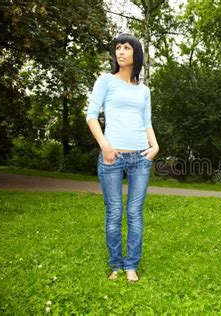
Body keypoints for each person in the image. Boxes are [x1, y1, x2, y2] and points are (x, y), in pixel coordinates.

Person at [86, 33, 159, 283]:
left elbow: (146, 121)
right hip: (111, 158)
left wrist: (155, 146)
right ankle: (116, 265)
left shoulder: (144, 90)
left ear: (135, 54)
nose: (121, 52)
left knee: (135, 212)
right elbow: (91, 116)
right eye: (118, 47)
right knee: (114, 213)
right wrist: (105, 145)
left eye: (126, 47)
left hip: (140, 158)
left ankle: (131, 266)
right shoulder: (106, 80)